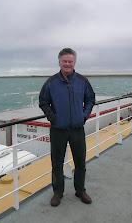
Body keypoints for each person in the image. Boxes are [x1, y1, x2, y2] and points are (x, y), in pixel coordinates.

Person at [39, 48, 95, 207]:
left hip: (77, 129)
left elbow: (90, 99)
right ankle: (57, 192)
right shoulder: (51, 83)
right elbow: (43, 102)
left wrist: (83, 116)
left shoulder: (82, 81)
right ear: (59, 62)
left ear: (74, 63)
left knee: (80, 163)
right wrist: (53, 118)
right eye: (65, 61)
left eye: (70, 61)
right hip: (58, 129)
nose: (67, 64)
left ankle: (80, 190)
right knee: (56, 163)